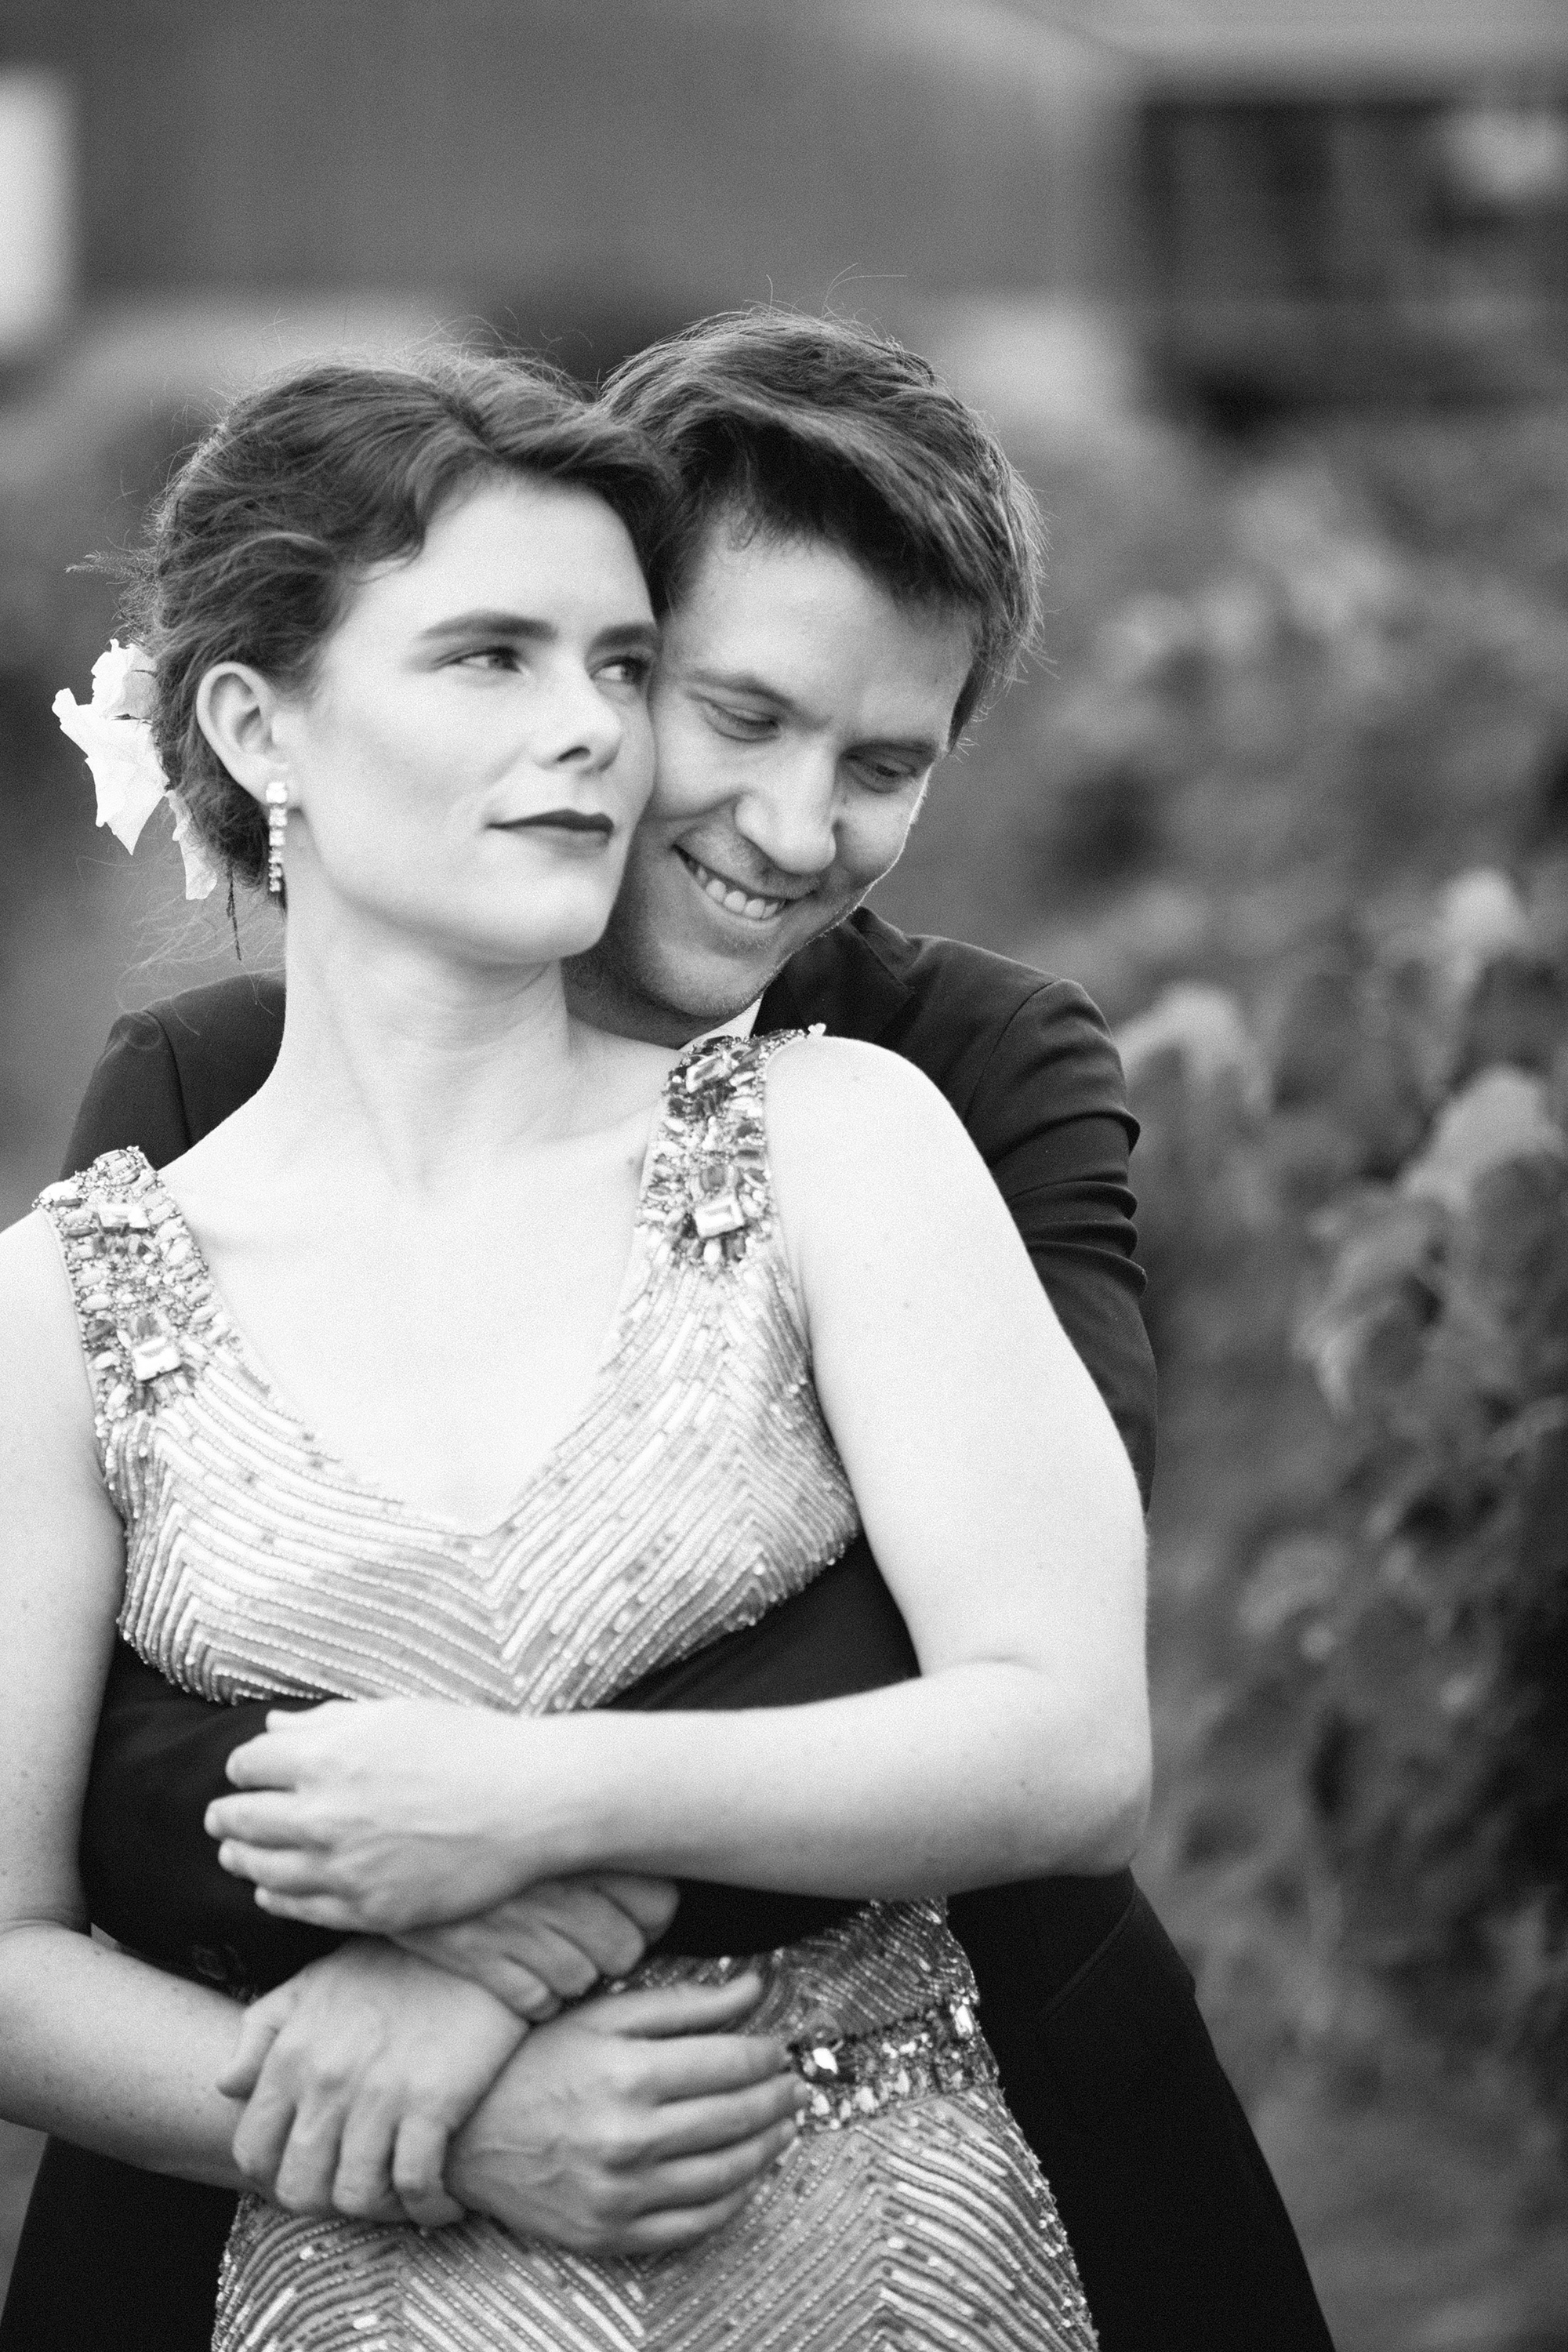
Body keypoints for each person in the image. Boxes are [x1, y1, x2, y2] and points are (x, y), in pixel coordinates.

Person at [0, 314, 1336, 2352]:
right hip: (333, 2205)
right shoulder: (160, 1154)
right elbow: (110, 1760)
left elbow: (986, 1663)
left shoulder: (918, 1088)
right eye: (711, 702)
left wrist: (506, 1871)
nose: (789, 827)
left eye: (882, 762)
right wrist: (406, 2050)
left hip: (920, 2151)